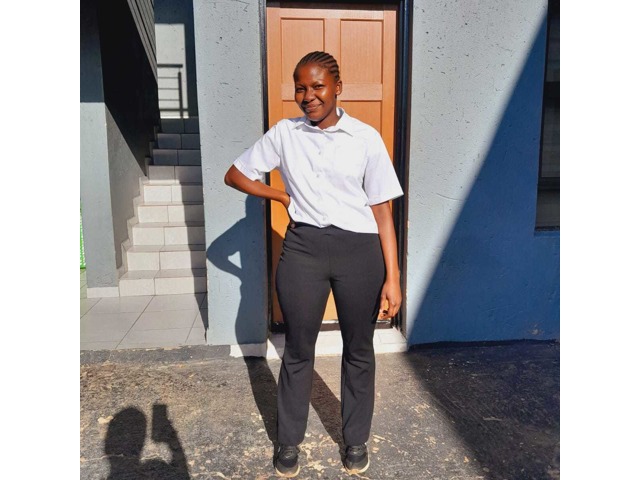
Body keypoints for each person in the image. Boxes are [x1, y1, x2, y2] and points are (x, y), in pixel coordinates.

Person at [224, 51, 403, 477]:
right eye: (300, 88)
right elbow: (235, 174)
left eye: (318, 86)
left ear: (338, 87)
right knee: (298, 350)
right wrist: (280, 196)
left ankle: (355, 439)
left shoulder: (365, 138)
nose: (309, 96)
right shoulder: (284, 134)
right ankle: (288, 442)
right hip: (303, 250)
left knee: (358, 349)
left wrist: (393, 278)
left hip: (360, 253)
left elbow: (382, 213)